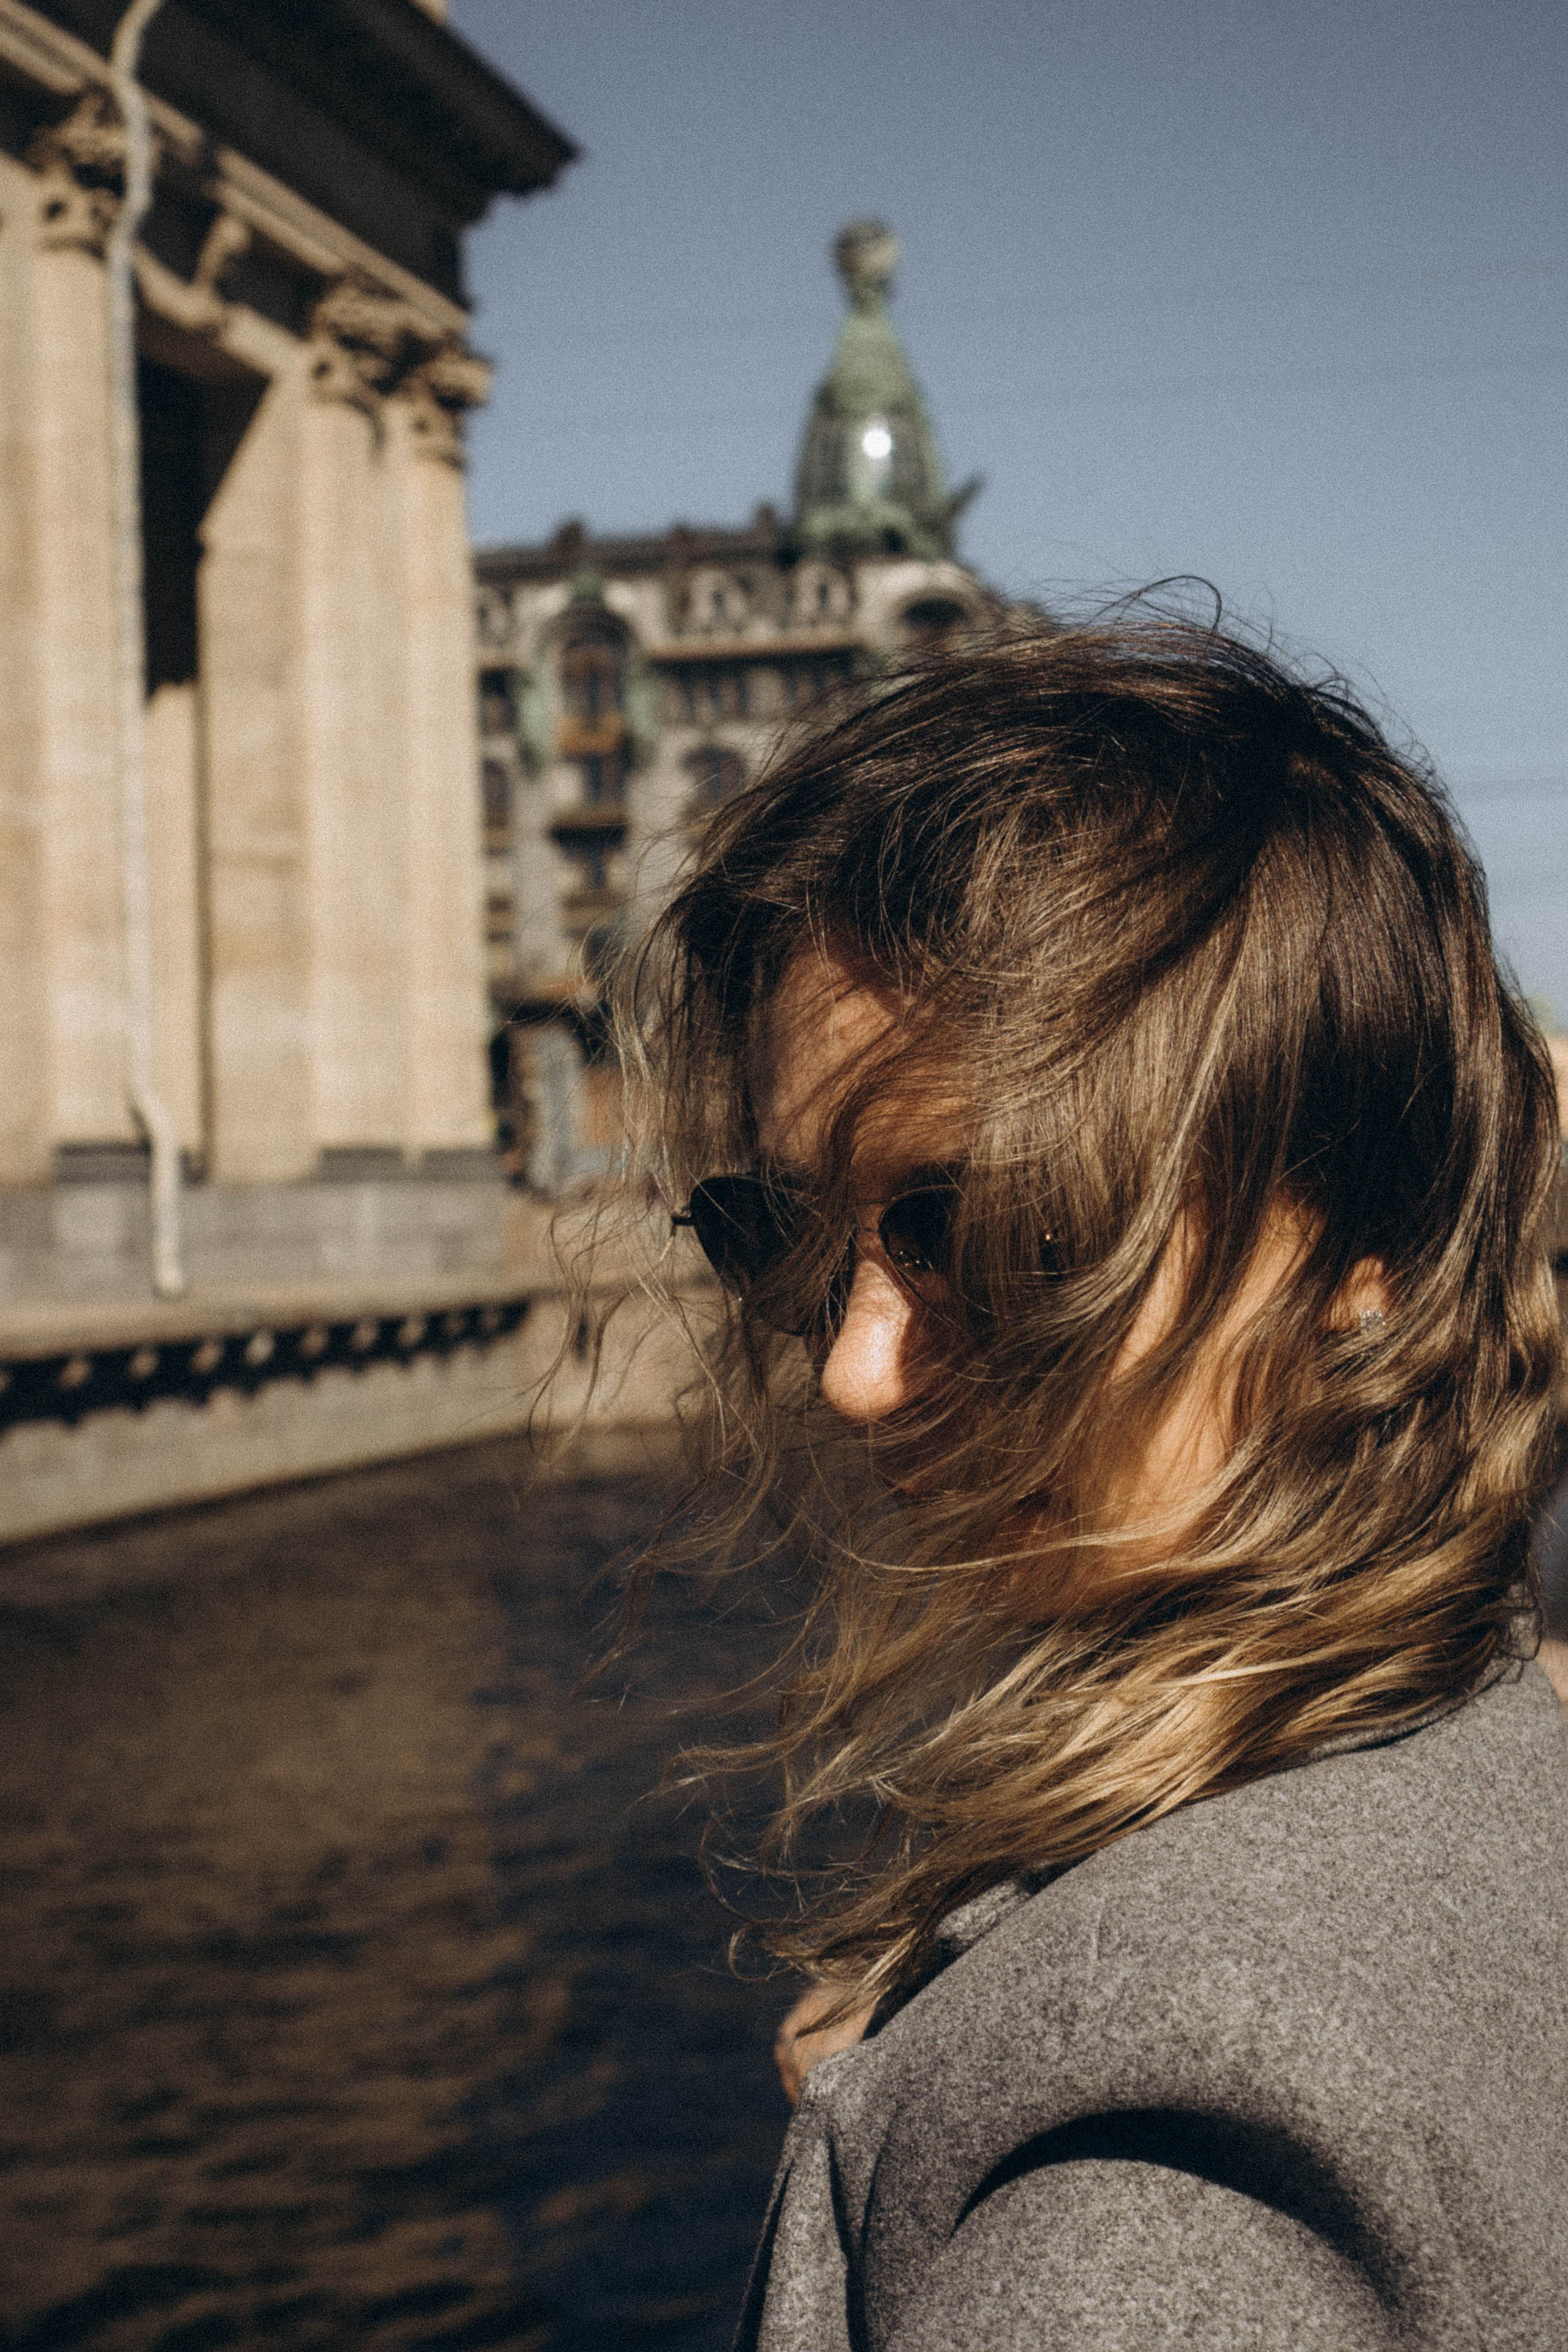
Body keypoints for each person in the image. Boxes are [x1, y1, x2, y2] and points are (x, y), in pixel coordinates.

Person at [621, 615, 1568, 2348]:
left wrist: (1010, 2073)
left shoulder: (1139, 2180)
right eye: (782, 1239)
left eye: (983, 1229)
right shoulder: (1485, 1739)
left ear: (1361, 1240)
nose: (848, 1369)